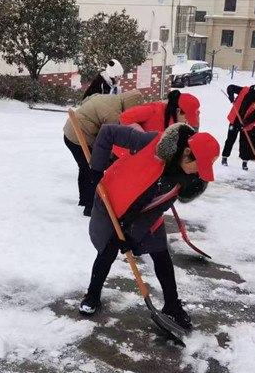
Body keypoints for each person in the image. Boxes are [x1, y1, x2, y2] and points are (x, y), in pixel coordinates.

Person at [79, 123, 220, 329]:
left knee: (161, 253)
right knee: (107, 250)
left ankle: (172, 305)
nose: (199, 173)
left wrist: (131, 235)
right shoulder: (150, 142)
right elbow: (108, 132)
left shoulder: (183, 179)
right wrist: (97, 169)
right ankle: (92, 295)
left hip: (145, 211)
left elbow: (156, 210)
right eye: (199, 165)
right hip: (112, 201)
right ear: (187, 152)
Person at [63, 89, 144, 216]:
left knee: (85, 169)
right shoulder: (114, 113)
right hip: (78, 137)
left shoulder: (111, 99)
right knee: (93, 171)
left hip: (70, 133)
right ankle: (90, 208)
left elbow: (87, 99)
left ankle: (84, 201)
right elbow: (110, 138)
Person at [221, 81, 255, 170]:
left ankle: (245, 162)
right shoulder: (245, 91)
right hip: (235, 119)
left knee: (245, 143)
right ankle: (224, 157)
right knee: (230, 139)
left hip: (246, 123)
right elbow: (231, 87)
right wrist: (231, 96)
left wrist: (245, 123)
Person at [120, 89, 201, 133]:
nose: (186, 122)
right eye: (186, 119)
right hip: (126, 154)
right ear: (178, 111)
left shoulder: (177, 122)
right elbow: (125, 117)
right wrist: (143, 137)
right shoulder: (153, 110)